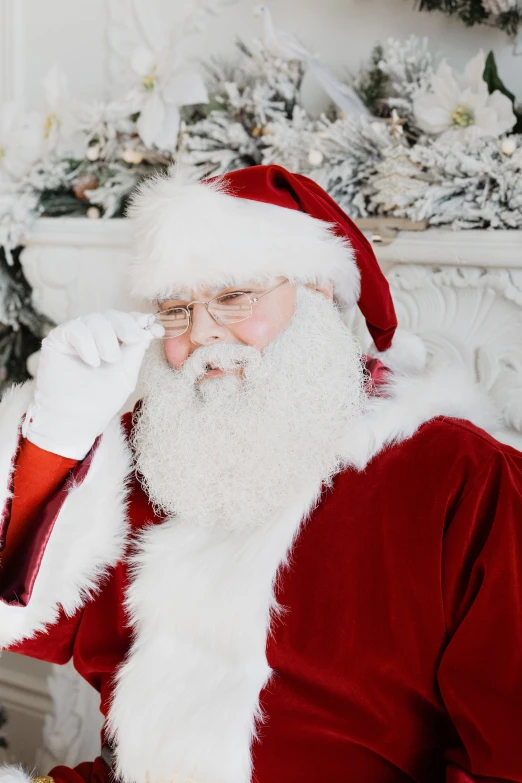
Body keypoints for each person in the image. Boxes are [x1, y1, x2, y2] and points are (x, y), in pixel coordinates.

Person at [0, 165, 521, 783]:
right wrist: (58, 435)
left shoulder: (461, 474)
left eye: (232, 296)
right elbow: (30, 628)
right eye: (176, 309)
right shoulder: (156, 448)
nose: (200, 333)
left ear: (318, 293)